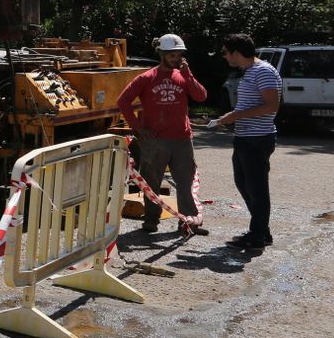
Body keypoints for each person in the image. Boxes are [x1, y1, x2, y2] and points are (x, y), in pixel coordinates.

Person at [117, 33, 208, 235]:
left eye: (179, 54)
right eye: (172, 55)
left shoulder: (183, 76)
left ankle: (189, 223)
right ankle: (150, 222)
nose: (177, 59)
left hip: (183, 139)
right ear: (161, 54)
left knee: (186, 182)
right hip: (155, 141)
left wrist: (188, 74)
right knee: (152, 183)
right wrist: (138, 128)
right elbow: (123, 102)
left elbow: (201, 96)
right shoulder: (146, 78)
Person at [210, 34, 282, 252]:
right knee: (244, 185)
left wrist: (235, 117)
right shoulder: (250, 72)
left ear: (236, 53)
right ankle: (261, 231)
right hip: (245, 138)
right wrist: (228, 117)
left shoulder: (263, 71)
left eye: (225, 52)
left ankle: (257, 236)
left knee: (257, 188)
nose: (224, 57)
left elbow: (272, 106)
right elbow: (250, 106)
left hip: (257, 139)